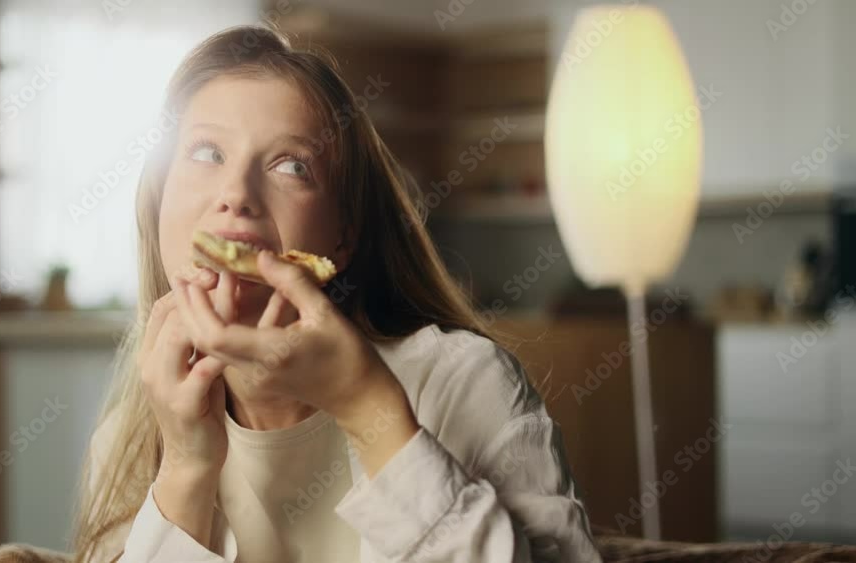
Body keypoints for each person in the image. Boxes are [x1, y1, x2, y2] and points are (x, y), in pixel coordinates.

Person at [71, 25, 600, 563]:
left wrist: (366, 404)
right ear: (160, 205)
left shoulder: (465, 384)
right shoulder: (129, 440)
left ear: (341, 239)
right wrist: (185, 467)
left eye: (291, 165)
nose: (235, 195)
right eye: (207, 152)